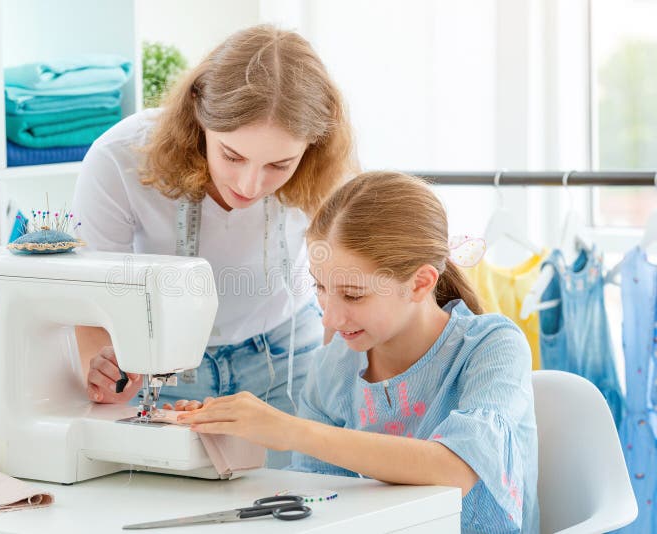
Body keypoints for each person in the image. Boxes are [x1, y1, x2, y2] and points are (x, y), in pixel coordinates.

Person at [176, 172, 540, 533]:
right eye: (320, 287)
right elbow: (320, 501)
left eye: (353, 295)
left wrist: (291, 431)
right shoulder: (333, 365)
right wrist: (232, 438)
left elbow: (455, 471)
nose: (330, 317)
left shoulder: (491, 347)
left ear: (420, 282)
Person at [71, 24, 355, 459]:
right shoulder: (120, 159)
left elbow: (345, 279)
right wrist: (108, 370)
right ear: (197, 114)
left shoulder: (328, 170)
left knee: (296, 508)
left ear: (311, 147)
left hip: (286, 357)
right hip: (160, 361)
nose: (250, 183)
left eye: (280, 165)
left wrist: (342, 378)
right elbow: (90, 292)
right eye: (232, 155)